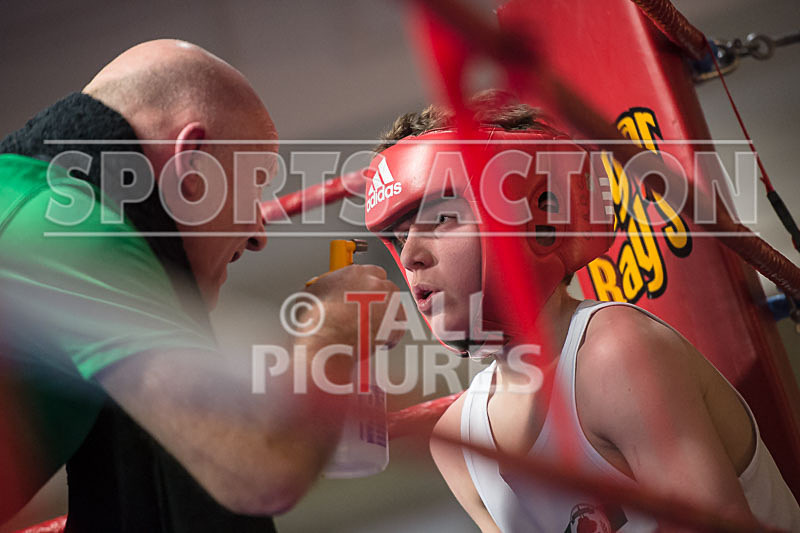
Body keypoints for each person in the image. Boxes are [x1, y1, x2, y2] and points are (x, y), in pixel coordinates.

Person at [0, 39, 398, 531]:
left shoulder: (30, 198)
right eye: (255, 186)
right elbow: (261, 467)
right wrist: (335, 327)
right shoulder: (67, 224)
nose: (258, 234)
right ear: (193, 167)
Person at [364, 90, 800, 532]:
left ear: (533, 216)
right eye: (400, 238)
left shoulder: (615, 355)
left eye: (440, 219)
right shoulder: (457, 441)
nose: (411, 255)